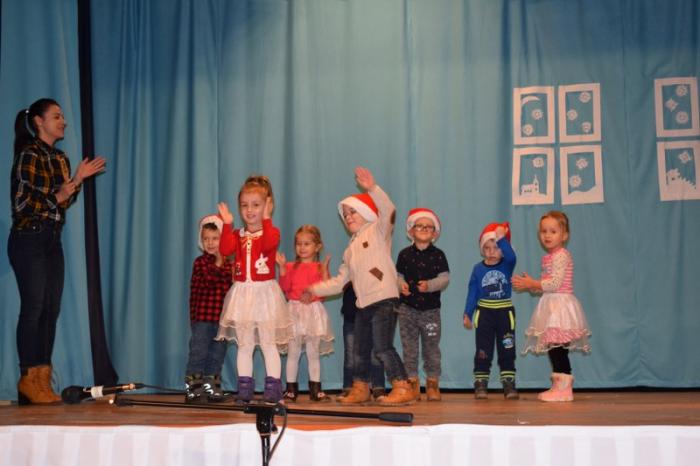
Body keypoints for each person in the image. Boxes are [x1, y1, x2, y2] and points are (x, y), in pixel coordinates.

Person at [9, 98, 106, 405]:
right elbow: (22, 204)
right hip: (29, 238)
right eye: (56, 116)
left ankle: (41, 378)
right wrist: (61, 193)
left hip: (52, 239)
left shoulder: (61, 158)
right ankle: (28, 377)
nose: (63, 121)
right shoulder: (29, 154)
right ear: (39, 122)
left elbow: (63, 202)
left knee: (51, 309)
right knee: (34, 307)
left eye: (63, 116)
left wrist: (75, 181)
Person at [307, 166, 414, 406]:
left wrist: (372, 188)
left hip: (384, 299)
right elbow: (340, 281)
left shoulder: (378, 231)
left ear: (366, 212)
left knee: (382, 347)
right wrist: (314, 289)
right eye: (345, 214)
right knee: (360, 349)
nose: (348, 216)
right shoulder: (350, 250)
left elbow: (389, 210)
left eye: (352, 211)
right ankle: (361, 387)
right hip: (363, 304)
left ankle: (402, 385)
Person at [215, 175, 292, 403]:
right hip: (242, 295)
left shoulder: (271, 232)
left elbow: (269, 244)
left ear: (268, 206)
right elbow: (225, 249)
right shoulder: (237, 235)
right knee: (245, 345)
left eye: (256, 205)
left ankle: (273, 389)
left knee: (268, 343)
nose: (249, 210)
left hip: (264, 295)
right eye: (244, 205)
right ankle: (245, 389)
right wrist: (227, 224)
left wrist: (266, 218)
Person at [512, 211, 591, 402]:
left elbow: (555, 284)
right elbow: (547, 286)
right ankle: (559, 385)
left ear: (564, 235)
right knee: (554, 347)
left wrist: (533, 283)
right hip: (552, 304)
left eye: (553, 231)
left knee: (558, 347)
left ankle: (564, 388)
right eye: (543, 231)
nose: (547, 235)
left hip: (560, 307)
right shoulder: (549, 257)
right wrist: (532, 285)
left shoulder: (561, 255)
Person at [396, 208, 450, 401]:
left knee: (431, 348)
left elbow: (444, 279)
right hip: (407, 309)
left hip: (430, 311)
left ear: (435, 233)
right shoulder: (404, 254)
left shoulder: (439, 255)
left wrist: (430, 285)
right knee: (409, 348)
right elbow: (398, 275)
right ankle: (412, 382)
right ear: (411, 231)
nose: (424, 229)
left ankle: (432, 383)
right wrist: (400, 285)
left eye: (429, 227)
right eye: (420, 226)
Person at [276, 225, 335, 402]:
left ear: (317, 246)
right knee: (293, 353)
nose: (302, 247)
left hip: (313, 313)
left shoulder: (319, 267)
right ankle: (290, 389)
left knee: (313, 352)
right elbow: (284, 288)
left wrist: (324, 270)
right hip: (294, 312)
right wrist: (282, 268)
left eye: (307, 244)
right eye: (299, 244)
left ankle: (315, 390)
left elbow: (325, 290)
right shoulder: (290, 266)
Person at [463, 222, 518, 399]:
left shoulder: (507, 264)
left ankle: (508, 383)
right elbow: (472, 292)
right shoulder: (478, 269)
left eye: (496, 247)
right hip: (484, 313)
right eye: (487, 248)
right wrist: (468, 313)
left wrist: (501, 238)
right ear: (482, 250)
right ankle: (481, 383)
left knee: (507, 348)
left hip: (505, 313)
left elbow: (512, 256)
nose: (491, 252)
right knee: (483, 349)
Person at [184, 214, 233, 403]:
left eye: (215, 238)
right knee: (198, 353)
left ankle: (211, 388)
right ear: (201, 241)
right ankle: (193, 389)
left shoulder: (229, 264)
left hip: (221, 320)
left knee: (217, 355)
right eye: (206, 239)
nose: (210, 243)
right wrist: (219, 263)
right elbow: (210, 280)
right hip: (203, 319)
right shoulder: (201, 262)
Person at [338, 283, 387, 401]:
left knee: (375, 353)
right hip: (352, 315)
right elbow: (340, 284)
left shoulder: (376, 270)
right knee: (350, 354)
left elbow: (382, 280)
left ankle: (378, 387)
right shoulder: (348, 271)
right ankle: (349, 387)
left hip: (374, 314)